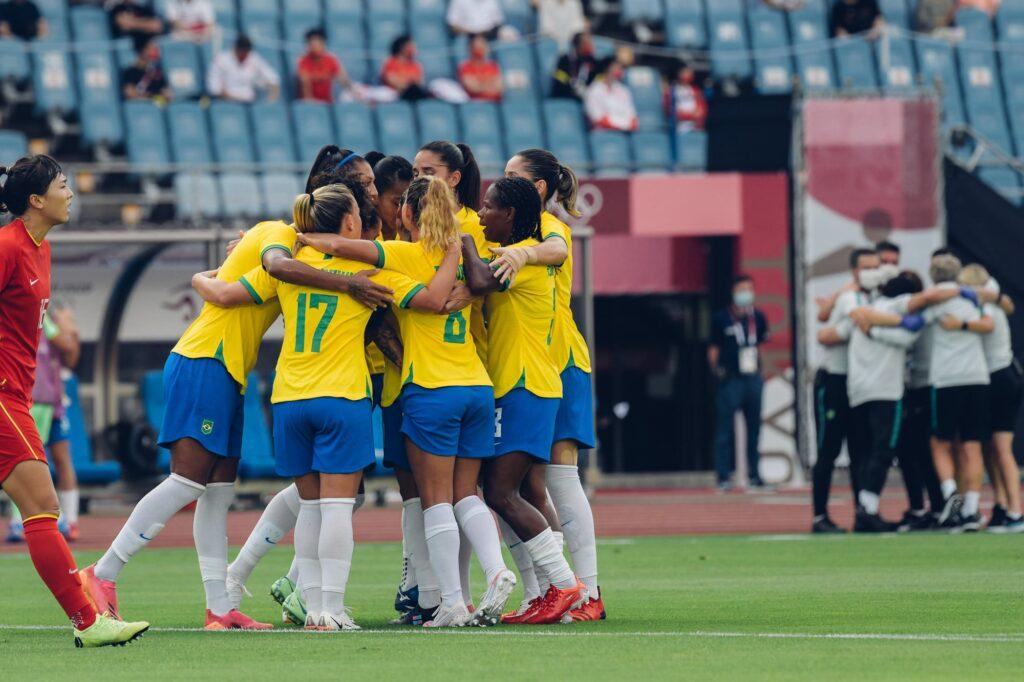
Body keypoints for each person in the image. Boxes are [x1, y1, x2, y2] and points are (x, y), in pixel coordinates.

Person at [79, 155, 393, 631]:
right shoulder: (278, 237)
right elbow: (230, 291)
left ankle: (220, 608)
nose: (368, 200)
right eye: (360, 192)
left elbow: (231, 285)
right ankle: (102, 572)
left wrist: (209, 274)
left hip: (228, 369)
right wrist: (349, 284)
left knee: (219, 491)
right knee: (189, 481)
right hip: (205, 359)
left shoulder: (300, 251)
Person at [193, 183, 458, 630]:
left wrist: (203, 275)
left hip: (290, 397)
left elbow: (225, 292)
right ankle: (330, 608)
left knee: (311, 508)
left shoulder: (291, 267)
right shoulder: (370, 268)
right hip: (342, 395)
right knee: (335, 509)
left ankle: (313, 606)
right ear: (350, 223)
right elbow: (432, 300)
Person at [298, 177, 518, 628]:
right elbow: (488, 282)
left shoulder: (404, 255)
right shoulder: (465, 252)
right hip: (476, 385)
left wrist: (295, 235)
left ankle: (453, 603)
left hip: (432, 389)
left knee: (436, 501)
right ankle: (496, 570)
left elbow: (341, 246)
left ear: (409, 216)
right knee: (466, 495)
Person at [0, 154, 149, 647]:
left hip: (18, 395)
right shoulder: (6, 247)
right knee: (43, 506)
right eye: (64, 185)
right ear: (37, 200)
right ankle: (90, 621)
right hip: (3, 398)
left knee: (41, 505)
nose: (71, 192)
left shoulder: (40, 248)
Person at [459, 176, 584, 625]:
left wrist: (464, 243)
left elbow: (477, 279)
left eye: (489, 207)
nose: (481, 214)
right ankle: (545, 593)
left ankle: (565, 584)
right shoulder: (520, 254)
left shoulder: (522, 262)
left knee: (499, 491)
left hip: (525, 386)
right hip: (527, 385)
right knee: (526, 490)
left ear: (509, 215)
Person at [497, 148, 603, 622]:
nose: (503, 184)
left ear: (537, 188)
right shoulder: (512, 229)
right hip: (534, 363)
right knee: (519, 484)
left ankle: (587, 592)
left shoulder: (548, 227)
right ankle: (548, 591)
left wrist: (522, 252)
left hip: (557, 362)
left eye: (512, 177)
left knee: (560, 479)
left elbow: (557, 248)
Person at [824, 271, 925, 532]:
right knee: (883, 450)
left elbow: (832, 333)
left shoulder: (865, 310)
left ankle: (866, 508)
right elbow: (908, 336)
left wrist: (871, 329)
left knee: (866, 452)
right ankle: (866, 510)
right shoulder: (899, 312)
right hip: (886, 391)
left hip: (858, 389)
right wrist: (889, 326)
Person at [810, 248, 881, 533]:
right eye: (868, 267)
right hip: (835, 381)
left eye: (876, 266)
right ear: (854, 270)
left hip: (858, 383)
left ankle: (862, 512)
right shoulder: (850, 296)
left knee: (860, 452)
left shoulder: (873, 298)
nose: (874, 272)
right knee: (828, 451)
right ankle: (819, 516)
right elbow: (825, 325)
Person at [955, 265, 1022, 533]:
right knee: (990, 448)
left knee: (1002, 447)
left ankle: (1015, 509)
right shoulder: (991, 301)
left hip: (998, 377)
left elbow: (988, 320)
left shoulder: (983, 308)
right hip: (996, 377)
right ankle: (1003, 505)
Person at [709, 275, 770, 492]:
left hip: (752, 378)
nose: (746, 293)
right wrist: (718, 373)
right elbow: (713, 350)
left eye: (749, 289)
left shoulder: (759, 318)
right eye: (742, 289)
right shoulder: (721, 319)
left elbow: (761, 345)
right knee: (724, 430)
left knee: (754, 429)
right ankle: (723, 476)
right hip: (730, 379)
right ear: (734, 292)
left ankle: (755, 475)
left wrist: (761, 373)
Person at [206, 34, 280, 103]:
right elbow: (213, 87)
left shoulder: (253, 58)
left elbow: (273, 79)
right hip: (226, 102)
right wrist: (224, 94)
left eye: (246, 51)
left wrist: (271, 101)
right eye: (242, 51)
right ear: (236, 48)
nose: (244, 55)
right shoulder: (221, 59)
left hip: (249, 102)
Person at [296, 28, 351, 103]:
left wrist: (353, 91)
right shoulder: (303, 61)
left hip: (328, 102)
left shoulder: (331, 59)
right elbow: (305, 87)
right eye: (311, 44)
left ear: (323, 43)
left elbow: (344, 80)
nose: (314, 47)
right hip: (310, 102)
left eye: (317, 43)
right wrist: (310, 103)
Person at [584, 58, 638, 132]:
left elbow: (633, 121)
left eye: (621, 68)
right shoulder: (593, 90)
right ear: (607, 69)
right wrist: (624, 124)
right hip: (602, 134)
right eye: (617, 68)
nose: (620, 71)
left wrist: (613, 120)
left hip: (625, 134)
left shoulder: (624, 90)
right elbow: (597, 119)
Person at [121, 36, 172, 101]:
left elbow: (166, 94)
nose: (155, 51)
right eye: (151, 48)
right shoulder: (129, 72)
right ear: (142, 50)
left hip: (158, 107)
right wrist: (152, 98)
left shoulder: (158, 71)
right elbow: (130, 94)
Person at [381, 35, 429, 102]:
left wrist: (410, 85)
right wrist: (407, 85)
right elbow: (391, 80)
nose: (414, 48)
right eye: (411, 46)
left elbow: (419, 82)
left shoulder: (416, 65)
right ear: (402, 47)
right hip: (394, 94)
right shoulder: (391, 62)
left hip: (413, 93)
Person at [551, 31, 597, 101]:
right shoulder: (565, 60)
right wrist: (573, 86)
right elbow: (559, 79)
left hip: (586, 98)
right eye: (585, 43)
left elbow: (597, 78)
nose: (589, 45)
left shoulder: (591, 61)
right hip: (564, 96)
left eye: (589, 42)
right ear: (577, 45)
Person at [458, 35, 503, 102]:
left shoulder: (493, 66)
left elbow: (499, 87)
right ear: (471, 48)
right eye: (477, 46)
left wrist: (481, 85)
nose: (480, 48)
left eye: (483, 45)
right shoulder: (465, 67)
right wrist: (489, 85)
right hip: (476, 104)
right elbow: (472, 88)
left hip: (495, 102)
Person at [667, 65, 707, 135]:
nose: (686, 75)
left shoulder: (696, 90)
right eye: (684, 72)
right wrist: (687, 116)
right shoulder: (672, 91)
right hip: (678, 126)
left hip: (695, 126)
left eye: (688, 72)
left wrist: (695, 116)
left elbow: (702, 109)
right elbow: (669, 110)